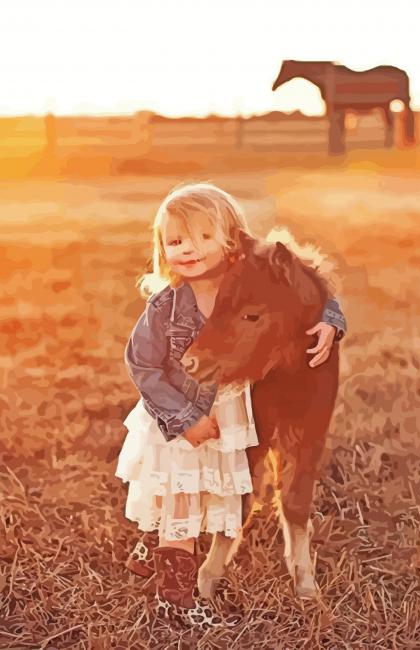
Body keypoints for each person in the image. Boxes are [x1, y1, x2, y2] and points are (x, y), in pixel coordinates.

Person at [114, 181, 347, 628]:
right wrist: (182, 419)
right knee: (182, 494)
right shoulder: (167, 305)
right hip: (178, 417)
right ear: (162, 248)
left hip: (225, 411)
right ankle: (176, 597)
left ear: (231, 240)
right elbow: (140, 363)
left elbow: (303, 280)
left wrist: (329, 319)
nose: (192, 249)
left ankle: (155, 545)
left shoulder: (244, 273)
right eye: (177, 240)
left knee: (201, 484)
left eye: (204, 237)